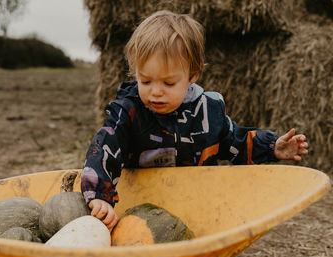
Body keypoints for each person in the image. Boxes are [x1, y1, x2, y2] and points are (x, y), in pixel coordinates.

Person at [80, 10, 308, 229]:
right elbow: (104, 147)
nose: (155, 92)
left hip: (197, 208)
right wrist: (99, 196)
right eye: (146, 81)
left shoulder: (208, 111)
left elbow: (235, 141)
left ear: (193, 76)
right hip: (142, 212)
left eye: (168, 83)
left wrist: (271, 146)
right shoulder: (129, 112)